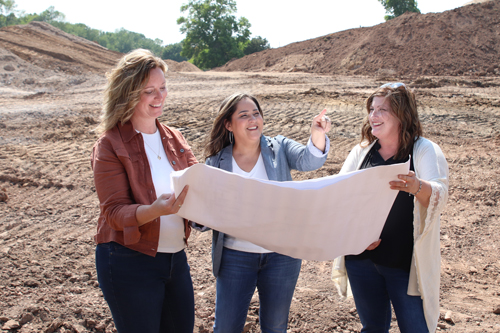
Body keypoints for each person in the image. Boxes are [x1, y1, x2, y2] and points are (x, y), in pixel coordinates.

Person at [203, 92, 332, 333]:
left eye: (256, 113)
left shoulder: (279, 147)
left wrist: (317, 133)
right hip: (235, 258)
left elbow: (309, 162)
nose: (253, 119)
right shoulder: (216, 162)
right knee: (226, 327)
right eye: (244, 115)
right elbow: (204, 214)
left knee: (275, 326)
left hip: (282, 256)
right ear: (228, 124)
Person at [90, 49, 197, 333]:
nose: (160, 96)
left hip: (175, 259)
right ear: (128, 93)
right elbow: (113, 212)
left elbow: (199, 183)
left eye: (162, 88)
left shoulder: (174, 137)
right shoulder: (110, 144)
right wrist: (154, 211)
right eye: (149, 91)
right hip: (128, 261)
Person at [332, 82, 449, 333]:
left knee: (416, 329)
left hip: (405, 264)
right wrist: (358, 236)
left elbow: (440, 194)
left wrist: (418, 186)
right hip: (362, 259)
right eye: (372, 109)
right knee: (372, 328)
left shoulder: (423, 150)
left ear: (401, 114)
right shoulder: (362, 151)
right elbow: (339, 195)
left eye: (382, 110)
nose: (373, 116)